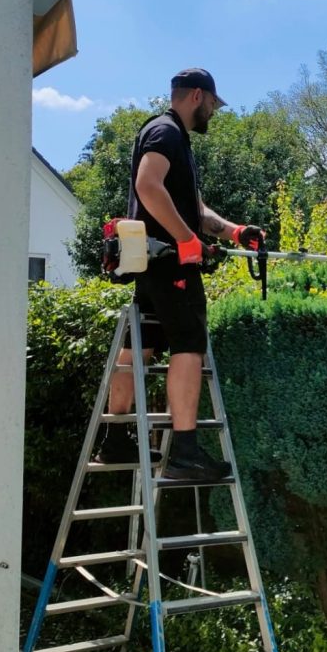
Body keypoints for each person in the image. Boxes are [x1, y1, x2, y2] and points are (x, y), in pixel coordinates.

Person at [96, 67, 264, 481]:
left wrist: (235, 232)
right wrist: (186, 239)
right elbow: (148, 186)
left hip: (152, 264)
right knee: (189, 343)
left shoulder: (173, 139)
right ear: (197, 96)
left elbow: (195, 210)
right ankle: (185, 453)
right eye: (213, 104)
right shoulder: (166, 132)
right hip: (171, 264)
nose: (214, 111)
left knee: (140, 347)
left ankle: (115, 441)